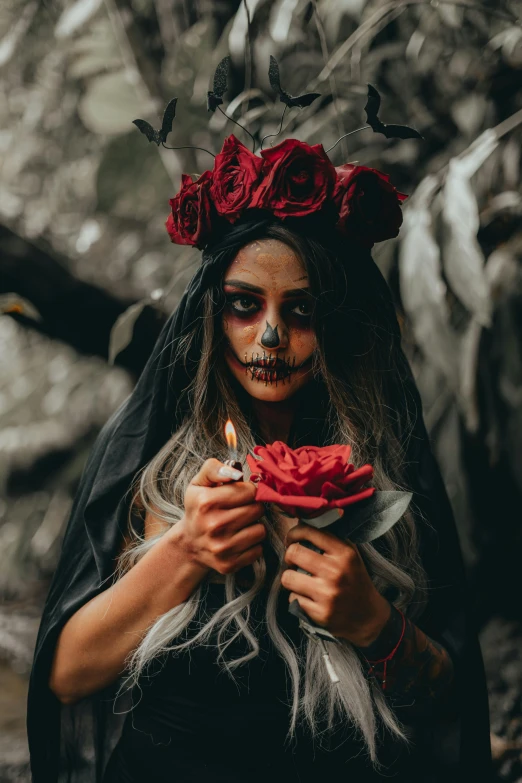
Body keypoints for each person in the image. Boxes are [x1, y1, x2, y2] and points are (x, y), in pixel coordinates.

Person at [28, 131, 492, 783]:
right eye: (246, 305)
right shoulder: (152, 470)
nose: (270, 335)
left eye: (299, 309)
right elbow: (68, 674)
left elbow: (450, 699)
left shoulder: (389, 471)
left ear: (334, 321)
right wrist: (185, 549)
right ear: (215, 314)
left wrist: (376, 623)